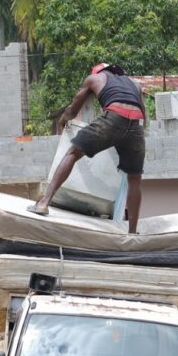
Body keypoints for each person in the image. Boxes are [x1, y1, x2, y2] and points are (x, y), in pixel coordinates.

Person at [28, 63, 146, 233]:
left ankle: (44, 203)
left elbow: (73, 110)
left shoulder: (94, 79)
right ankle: (133, 232)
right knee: (134, 178)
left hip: (112, 118)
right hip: (135, 125)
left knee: (73, 152)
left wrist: (63, 120)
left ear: (98, 72)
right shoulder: (135, 84)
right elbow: (142, 113)